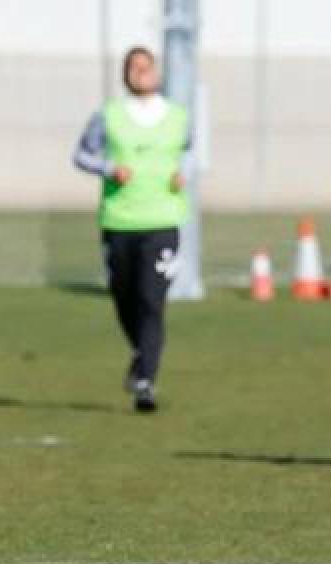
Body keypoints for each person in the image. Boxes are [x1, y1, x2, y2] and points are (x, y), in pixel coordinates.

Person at [73, 46, 190, 413]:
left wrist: (182, 170)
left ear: (156, 72)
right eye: (133, 68)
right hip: (119, 220)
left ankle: (145, 381)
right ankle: (142, 354)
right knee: (124, 299)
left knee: (151, 301)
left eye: (146, 67)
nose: (140, 73)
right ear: (125, 75)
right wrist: (109, 169)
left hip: (163, 221)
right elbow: (80, 155)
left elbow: (191, 152)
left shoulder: (178, 116)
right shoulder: (108, 116)